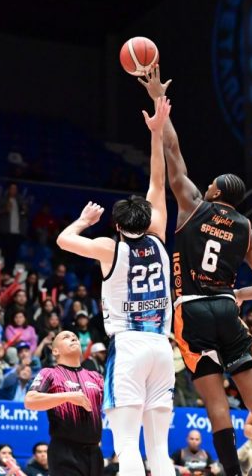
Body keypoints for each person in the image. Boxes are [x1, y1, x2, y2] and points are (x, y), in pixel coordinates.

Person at [139, 66, 252, 476]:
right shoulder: (247, 231)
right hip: (228, 309)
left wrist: (159, 99)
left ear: (214, 191)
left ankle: (231, 474)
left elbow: (172, 152)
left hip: (192, 310)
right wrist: (241, 294)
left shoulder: (193, 204)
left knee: (215, 403)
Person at [55, 95, 174, 476]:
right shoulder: (159, 236)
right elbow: (158, 181)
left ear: (118, 225)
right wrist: (156, 133)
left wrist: (82, 221)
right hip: (162, 347)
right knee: (160, 450)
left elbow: (63, 240)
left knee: (126, 446)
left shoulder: (110, 247)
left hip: (129, 347)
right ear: (147, 220)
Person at [25, 331, 104, 476]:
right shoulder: (49, 373)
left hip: (95, 453)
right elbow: (30, 401)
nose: (73, 338)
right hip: (65, 451)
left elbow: (111, 406)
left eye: (75, 337)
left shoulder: (96, 377)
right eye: (66, 337)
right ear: (55, 351)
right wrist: (68, 396)